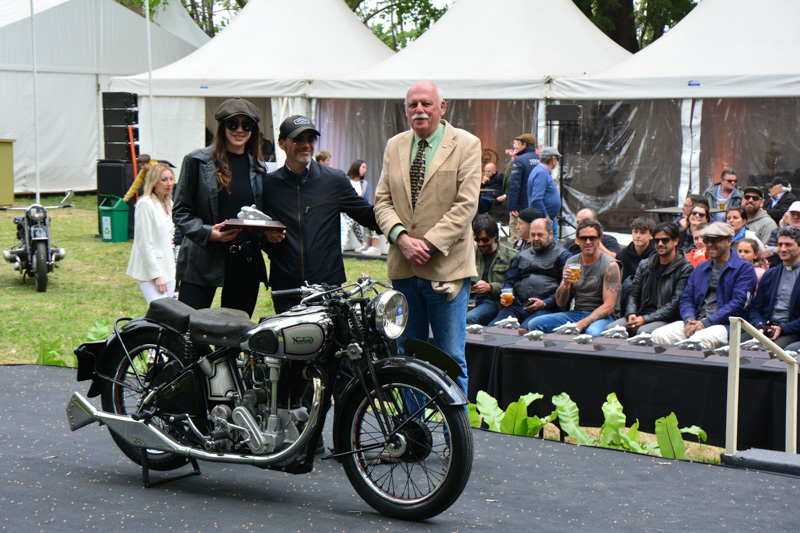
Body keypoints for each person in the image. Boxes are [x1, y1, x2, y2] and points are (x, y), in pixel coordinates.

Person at [373, 80, 481, 396]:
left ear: (442, 107)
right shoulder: (394, 145)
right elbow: (382, 201)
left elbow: (466, 205)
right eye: (412, 105)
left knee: (450, 361)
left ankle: (455, 442)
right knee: (408, 360)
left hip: (447, 271)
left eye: (426, 103)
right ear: (406, 109)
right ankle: (414, 441)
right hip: (404, 271)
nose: (419, 110)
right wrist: (402, 238)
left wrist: (430, 244)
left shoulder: (467, 144)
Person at [262, 115, 380, 313]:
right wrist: (266, 239)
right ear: (282, 143)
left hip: (328, 286)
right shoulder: (268, 185)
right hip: (286, 287)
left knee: (330, 344)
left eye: (311, 138)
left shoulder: (334, 180)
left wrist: (400, 226)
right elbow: (255, 228)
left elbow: (366, 214)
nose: (306, 144)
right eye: (298, 139)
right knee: (291, 343)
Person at [173, 98, 278, 317]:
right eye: (233, 124)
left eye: (246, 125)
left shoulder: (258, 168)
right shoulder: (196, 161)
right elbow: (181, 211)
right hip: (202, 259)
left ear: (253, 130)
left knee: (232, 335)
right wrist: (207, 233)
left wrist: (268, 233)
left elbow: (257, 217)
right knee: (189, 332)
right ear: (222, 127)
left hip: (244, 262)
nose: (240, 130)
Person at [651, 223, 757, 349]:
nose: (710, 244)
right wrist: (688, 320)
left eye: (714, 240)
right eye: (707, 240)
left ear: (729, 241)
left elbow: (738, 304)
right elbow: (686, 298)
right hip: (696, 320)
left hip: (727, 325)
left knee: (698, 341)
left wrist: (707, 322)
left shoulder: (744, 268)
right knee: (658, 335)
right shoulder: (701, 268)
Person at [526, 218, 621, 337]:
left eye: (592, 238)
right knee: (534, 324)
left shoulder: (610, 265)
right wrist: (565, 284)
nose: (588, 242)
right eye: (583, 238)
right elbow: (560, 303)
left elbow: (609, 307)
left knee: (592, 333)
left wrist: (581, 324)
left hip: (603, 317)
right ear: (577, 240)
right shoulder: (571, 262)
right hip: (577, 313)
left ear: (599, 240)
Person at [604, 222, 693, 335]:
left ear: (675, 241)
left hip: (667, 319)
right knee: (610, 329)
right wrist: (631, 314)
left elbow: (674, 305)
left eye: (665, 240)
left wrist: (645, 319)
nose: (660, 244)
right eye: (656, 241)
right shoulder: (645, 264)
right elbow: (633, 293)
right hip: (640, 314)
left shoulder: (685, 268)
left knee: (642, 332)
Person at [489, 217, 571, 330]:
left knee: (523, 331)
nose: (536, 238)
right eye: (533, 235)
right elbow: (510, 281)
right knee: (494, 328)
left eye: (540, 235)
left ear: (550, 234)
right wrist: (507, 294)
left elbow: (568, 287)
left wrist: (545, 303)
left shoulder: (563, 256)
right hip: (517, 306)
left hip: (546, 309)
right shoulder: (522, 255)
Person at [126, 163, 177, 303]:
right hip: (151, 271)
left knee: (172, 314)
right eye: (164, 179)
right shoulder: (145, 204)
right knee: (162, 312)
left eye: (171, 179)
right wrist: (156, 275)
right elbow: (144, 243)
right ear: (154, 182)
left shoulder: (169, 204)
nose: (169, 183)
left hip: (169, 267)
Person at [747, 226, 800, 349]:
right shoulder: (770, 274)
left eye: (788, 245)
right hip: (766, 328)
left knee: (767, 351)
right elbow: (755, 308)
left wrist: (783, 328)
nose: (783, 249)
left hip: (792, 331)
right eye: (780, 244)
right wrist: (759, 325)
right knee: (734, 346)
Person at [466, 215, 517, 325]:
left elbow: (514, 286)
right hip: (470, 299)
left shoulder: (510, 256)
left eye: (485, 240)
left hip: (494, 301)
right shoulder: (471, 253)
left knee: (469, 318)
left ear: (495, 236)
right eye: (477, 240)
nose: (481, 244)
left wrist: (490, 287)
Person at [506, 133, 539, 242]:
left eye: (518, 144)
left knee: (516, 234)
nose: (516, 147)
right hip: (535, 204)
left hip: (520, 205)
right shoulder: (539, 159)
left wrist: (512, 206)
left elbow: (515, 184)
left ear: (524, 144)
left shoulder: (519, 160)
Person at [526, 146, 562, 240]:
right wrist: (545, 216)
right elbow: (536, 199)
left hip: (547, 218)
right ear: (553, 159)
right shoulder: (541, 173)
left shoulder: (541, 171)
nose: (557, 162)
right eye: (557, 159)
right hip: (544, 220)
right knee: (550, 248)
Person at [342, 159, 366, 251]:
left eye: (366, 168)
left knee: (353, 216)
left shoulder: (364, 184)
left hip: (357, 210)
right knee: (351, 216)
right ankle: (362, 242)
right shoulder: (346, 180)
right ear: (356, 168)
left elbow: (365, 201)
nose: (365, 170)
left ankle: (345, 238)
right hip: (344, 209)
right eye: (363, 167)